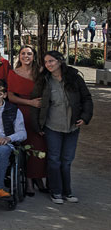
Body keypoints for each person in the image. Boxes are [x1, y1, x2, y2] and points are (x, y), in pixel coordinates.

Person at [34, 50, 93, 204]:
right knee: (54, 160)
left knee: (67, 160)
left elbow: (86, 98)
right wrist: (38, 125)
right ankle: (56, 191)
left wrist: (85, 117)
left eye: (51, 61)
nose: (48, 65)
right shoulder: (44, 81)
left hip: (72, 126)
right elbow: (37, 104)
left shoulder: (74, 78)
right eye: (46, 62)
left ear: (60, 61)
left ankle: (68, 192)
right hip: (52, 126)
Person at [7, 44, 46, 195]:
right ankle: (29, 181)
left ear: (33, 56)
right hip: (21, 113)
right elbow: (11, 96)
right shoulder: (13, 73)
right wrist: (30, 103)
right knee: (26, 147)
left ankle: (39, 178)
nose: (26, 56)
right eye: (23, 53)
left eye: (29, 53)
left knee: (41, 147)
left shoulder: (41, 72)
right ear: (19, 56)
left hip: (39, 114)